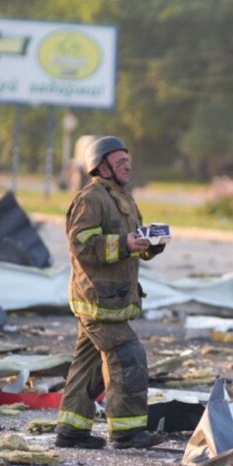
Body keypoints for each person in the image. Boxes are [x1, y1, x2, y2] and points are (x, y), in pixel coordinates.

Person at [55, 136, 165, 449]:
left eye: (128, 161)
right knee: (127, 358)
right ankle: (126, 432)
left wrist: (150, 245)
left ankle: (71, 431)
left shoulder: (124, 198)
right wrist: (125, 244)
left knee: (87, 367)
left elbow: (132, 244)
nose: (127, 166)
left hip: (112, 298)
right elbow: (81, 245)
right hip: (97, 301)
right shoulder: (91, 198)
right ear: (101, 167)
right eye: (120, 162)